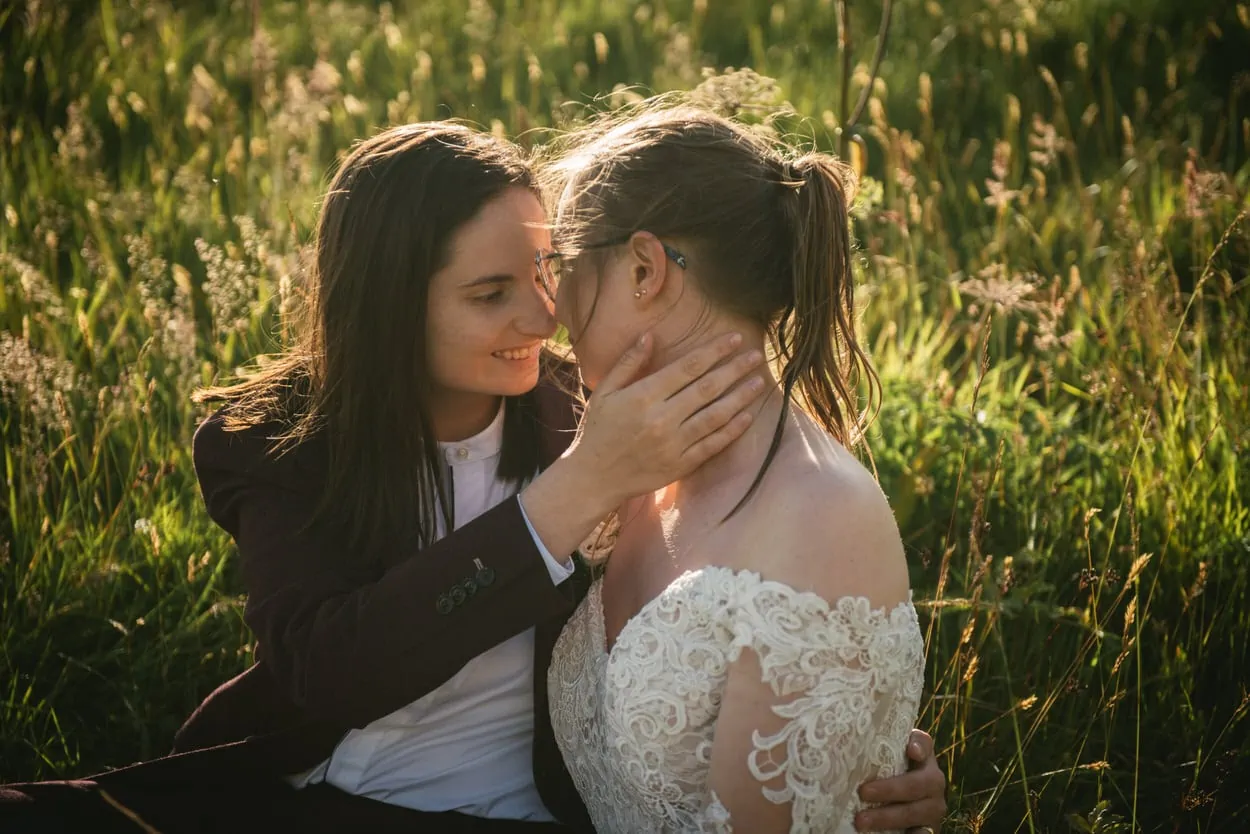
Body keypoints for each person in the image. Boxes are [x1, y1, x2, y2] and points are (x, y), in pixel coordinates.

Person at [0, 122, 943, 833]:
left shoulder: (590, 410)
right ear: (386, 308)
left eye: (546, 270)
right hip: (285, 792)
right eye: (491, 294)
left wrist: (860, 748)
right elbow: (330, 669)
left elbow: (767, 621)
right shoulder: (279, 442)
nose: (542, 317)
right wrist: (567, 499)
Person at [541, 104, 931, 833]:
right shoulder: (632, 461)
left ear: (645, 267)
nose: (554, 309)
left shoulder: (821, 516)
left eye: (563, 266)